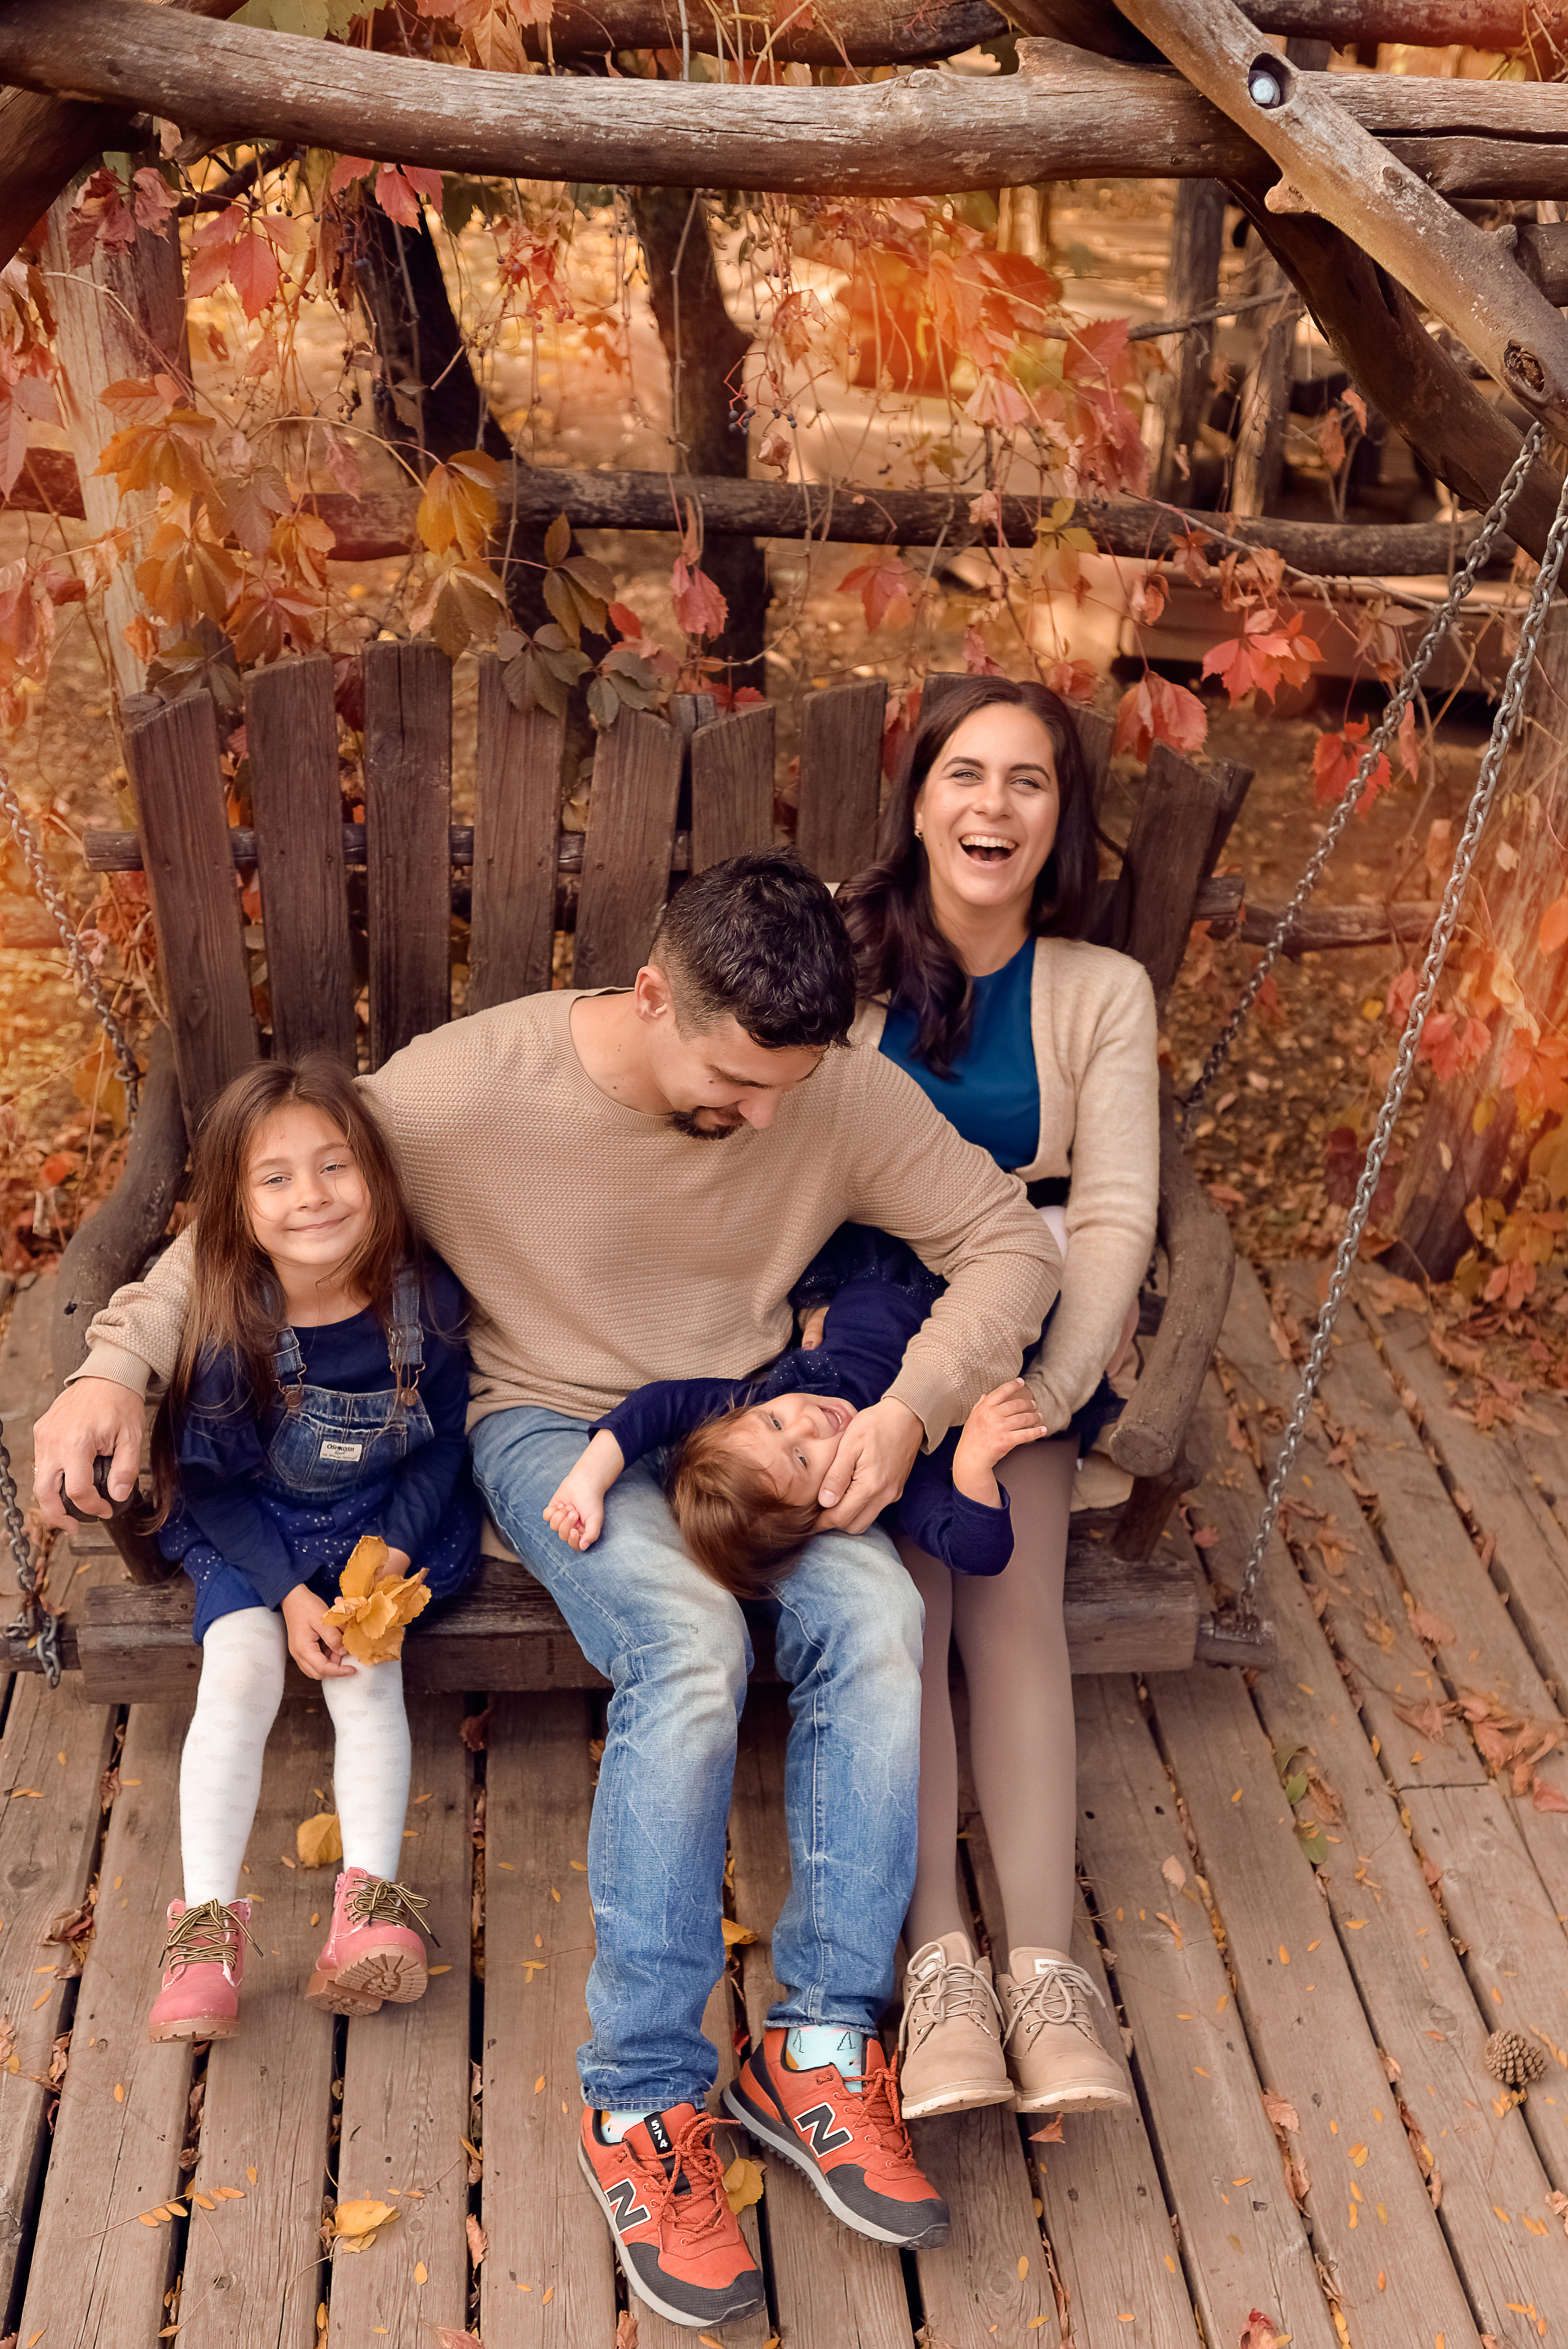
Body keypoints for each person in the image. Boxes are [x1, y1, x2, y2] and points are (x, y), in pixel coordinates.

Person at [34, 852, 1059, 2336]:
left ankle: (818, 2043)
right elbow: (253, 1220)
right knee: (691, 1648)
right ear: (648, 996)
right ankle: (640, 2093)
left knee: (881, 1618)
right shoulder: (459, 1095)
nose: (765, 1118)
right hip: (541, 1427)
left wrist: (908, 1409)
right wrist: (109, 1367)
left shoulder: (826, 1088)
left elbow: (1004, 1241)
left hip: (739, 1426)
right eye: (732, 1082)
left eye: (787, 1087)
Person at [837, 677, 1158, 2124]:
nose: (992, 805)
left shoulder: (1099, 990)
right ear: (918, 803)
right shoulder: (843, 963)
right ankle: (937, 1966)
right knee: (905, 1599)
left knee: (1013, 1591)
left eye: (1026, 781)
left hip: (1027, 1320)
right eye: (963, 773)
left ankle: (1041, 1968)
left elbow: (1115, 1213)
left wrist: (1042, 1390)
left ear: (1056, 819)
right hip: (865, 1328)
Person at [139, 1057, 481, 2044]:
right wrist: (289, 1593)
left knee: (370, 1669)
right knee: (239, 1672)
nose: (313, 1196)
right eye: (276, 1177)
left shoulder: (426, 1303)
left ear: (376, 1172)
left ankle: (368, 1905)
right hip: (255, 1526)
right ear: (238, 1206)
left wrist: (394, 1552)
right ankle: (205, 1935)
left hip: (381, 1518)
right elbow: (209, 1483)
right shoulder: (231, 1326)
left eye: (336, 1165)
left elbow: (443, 1443)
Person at [543, 1219, 1109, 1597]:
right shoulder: (894, 1479)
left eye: (775, 1422)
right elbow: (976, 1553)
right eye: (804, 1460)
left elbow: (661, 1406)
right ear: (825, 1508)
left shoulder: (769, 1396)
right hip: (989, 1312)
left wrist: (587, 1480)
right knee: (1057, 1258)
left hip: (879, 1257)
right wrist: (972, 1467)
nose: (806, 1423)